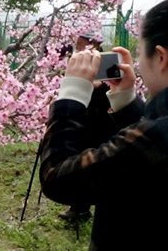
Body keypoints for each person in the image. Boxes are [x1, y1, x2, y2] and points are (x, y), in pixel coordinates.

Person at [40, 0, 168, 250]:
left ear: (161, 57)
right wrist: (127, 102)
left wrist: (72, 94)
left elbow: (58, 178)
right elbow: (159, 149)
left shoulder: (157, 138)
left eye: (139, 51)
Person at [56, 33, 117, 222]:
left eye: (81, 45)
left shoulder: (106, 64)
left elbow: (110, 89)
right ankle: (79, 208)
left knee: (92, 162)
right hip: (84, 116)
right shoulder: (79, 63)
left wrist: (96, 86)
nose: (78, 48)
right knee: (82, 159)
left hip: (100, 120)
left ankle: (83, 208)